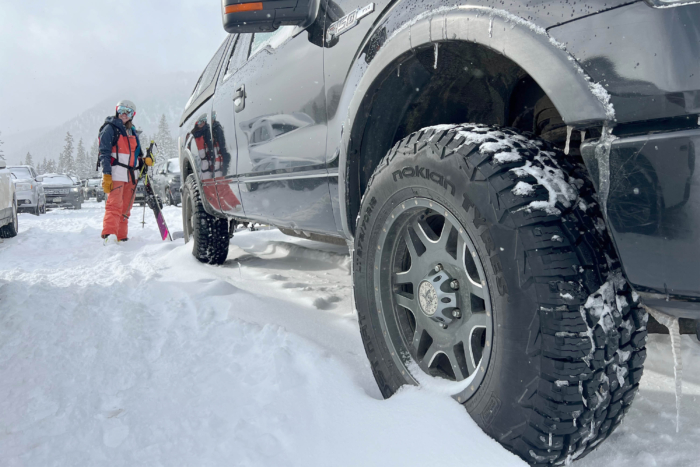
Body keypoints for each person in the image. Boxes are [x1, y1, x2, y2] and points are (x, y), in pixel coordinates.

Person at [99, 100, 153, 243]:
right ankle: (109, 235)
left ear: (132, 115)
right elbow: (104, 153)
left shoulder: (133, 131)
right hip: (116, 173)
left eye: (128, 112)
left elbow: (137, 153)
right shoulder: (110, 128)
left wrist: (145, 160)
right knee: (114, 204)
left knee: (126, 208)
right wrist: (106, 174)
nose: (124, 114)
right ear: (117, 110)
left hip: (131, 175)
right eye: (121, 110)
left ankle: (121, 236)